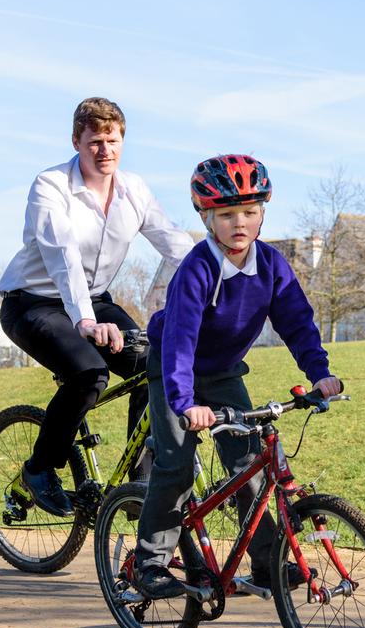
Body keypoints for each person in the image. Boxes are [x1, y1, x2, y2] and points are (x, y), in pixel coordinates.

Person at [132, 153, 342, 600]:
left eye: (249, 211)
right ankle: (149, 564)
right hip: (173, 372)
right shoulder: (198, 269)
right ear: (208, 218)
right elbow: (181, 340)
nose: (239, 222)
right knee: (174, 466)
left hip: (224, 372)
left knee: (250, 468)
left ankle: (267, 565)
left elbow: (298, 323)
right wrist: (186, 403)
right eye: (227, 214)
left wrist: (320, 373)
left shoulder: (270, 265)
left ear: (263, 212)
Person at [0, 97, 194, 517]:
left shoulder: (133, 190)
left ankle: (140, 483)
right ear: (76, 141)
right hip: (33, 304)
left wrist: (221, 277)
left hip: (96, 301)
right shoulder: (50, 186)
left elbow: (173, 242)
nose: (104, 150)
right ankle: (39, 468)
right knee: (89, 374)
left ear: (123, 140)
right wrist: (84, 320)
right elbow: (62, 255)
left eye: (112, 139)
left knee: (152, 364)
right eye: (94, 142)